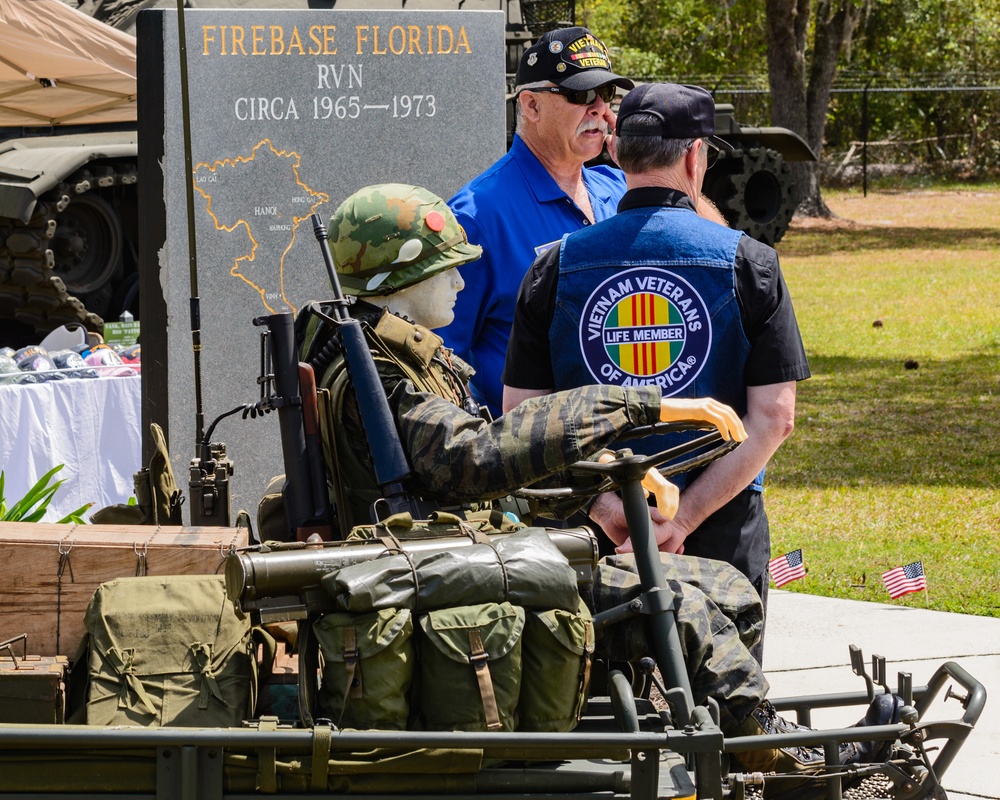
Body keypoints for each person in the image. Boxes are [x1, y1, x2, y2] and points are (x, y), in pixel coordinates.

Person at [297, 183, 899, 795]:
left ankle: (726, 749)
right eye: (446, 269)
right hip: (458, 570)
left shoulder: (397, 359)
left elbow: (485, 449)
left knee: (728, 590)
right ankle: (788, 763)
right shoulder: (376, 375)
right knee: (685, 609)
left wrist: (618, 471)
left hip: (477, 555)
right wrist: (634, 405)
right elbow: (472, 456)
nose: (459, 283)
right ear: (400, 279)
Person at [502, 83, 813, 663]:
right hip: (721, 524)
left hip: (591, 531)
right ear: (695, 156)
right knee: (725, 709)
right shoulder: (751, 263)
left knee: (595, 714)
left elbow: (523, 421)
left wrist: (610, 513)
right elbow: (775, 418)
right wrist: (684, 518)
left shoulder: (551, 266)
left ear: (616, 152)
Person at [436, 27, 633, 419]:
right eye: (579, 95)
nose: (598, 109)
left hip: (625, 441)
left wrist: (652, 166)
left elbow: (706, 236)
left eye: (606, 95)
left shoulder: (620, 187)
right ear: (531, 106)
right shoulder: (477, 216)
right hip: (537, 463)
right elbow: (441, 360)